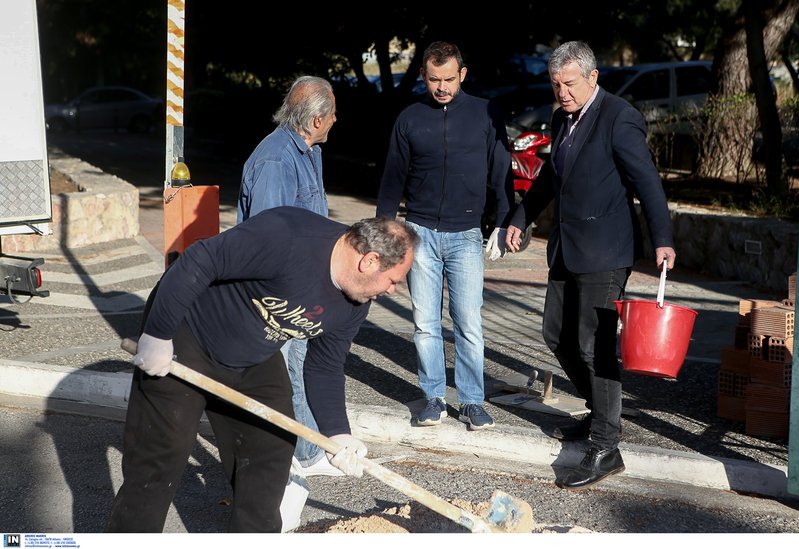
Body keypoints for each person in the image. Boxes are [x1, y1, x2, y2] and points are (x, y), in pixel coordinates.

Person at [106, 207, 418, 533]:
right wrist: (158, 333)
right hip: (187, 338)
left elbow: (325, 364)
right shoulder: (288, 235)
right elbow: (199, 260)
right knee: (159, 459)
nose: (392, 291)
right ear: (368, 261)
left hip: (253, 358)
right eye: (393, 280)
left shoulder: (354, 304)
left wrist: (337, 434)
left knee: (271, 451)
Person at [505, 41, 676, 490]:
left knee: (592, 346)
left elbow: (648, 183)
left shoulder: (618, 117)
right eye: (556, 84)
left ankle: (606, 445)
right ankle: (600, 412)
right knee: (554, 334)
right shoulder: (563, 116)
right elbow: (550, 177)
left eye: (570, 84)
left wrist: (663, 239)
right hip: (566, 247)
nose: (561, 93)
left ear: (593, 77)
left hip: (606, 250)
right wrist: (520, 216)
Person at [376, 41, 514, 431]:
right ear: (423, 75)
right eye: (434, 79)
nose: (441, 87)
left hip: (467, 233)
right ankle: (433, 397)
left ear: (463, 75)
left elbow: (500, 170)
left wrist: (504, 221)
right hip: (419, 231)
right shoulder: (409, 118)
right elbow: (392, 178)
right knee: (425, 322)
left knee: (469, 322)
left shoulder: (485, 113)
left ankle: (471, 401)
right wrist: (384, 231)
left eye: (448, 79)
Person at [238, 75, 340, 477]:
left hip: (305, 281)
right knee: (282, 373)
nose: (336, 119)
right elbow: (270, 236)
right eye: (332, 113)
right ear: (315, 120)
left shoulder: (309, 150)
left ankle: (306, 447)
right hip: (281, 287)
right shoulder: (277, 159)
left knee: (298, 367)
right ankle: (300, 454)